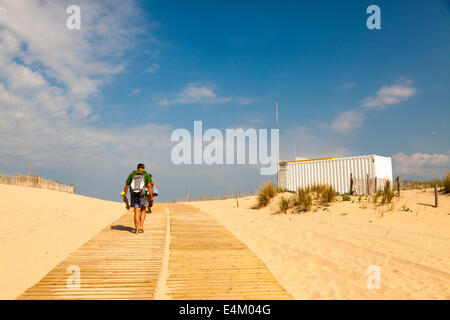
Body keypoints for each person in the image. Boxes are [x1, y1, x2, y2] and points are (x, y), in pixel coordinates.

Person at [123, 163, 153, 235]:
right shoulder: (146, 174)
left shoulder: (132, 174)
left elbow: (127, 185)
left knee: (136, 212)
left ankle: (136, 230)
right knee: (143, 210)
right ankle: (141, 226)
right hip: (143, 195)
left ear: (137, 168)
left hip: (134, 195)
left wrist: (124, 194)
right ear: (143, 168)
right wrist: (151, 196)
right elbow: (149, 186)